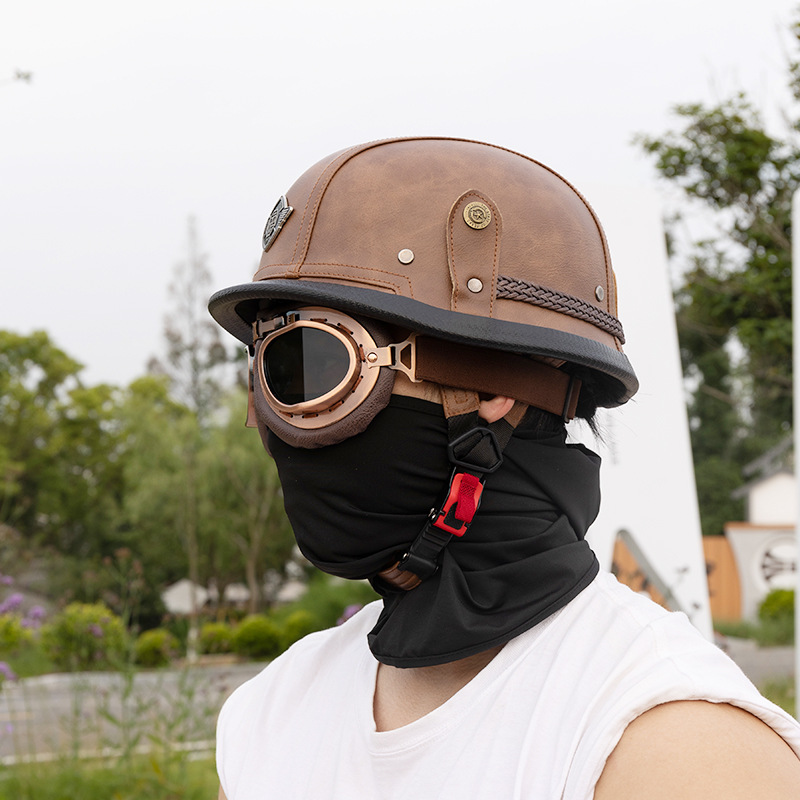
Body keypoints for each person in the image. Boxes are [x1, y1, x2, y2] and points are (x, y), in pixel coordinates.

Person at [208, 137, 800, 799]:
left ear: (494, 387)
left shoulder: (673, 747)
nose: (269, 419)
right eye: (264, 376)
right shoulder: (268, 715)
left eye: (312, 363)